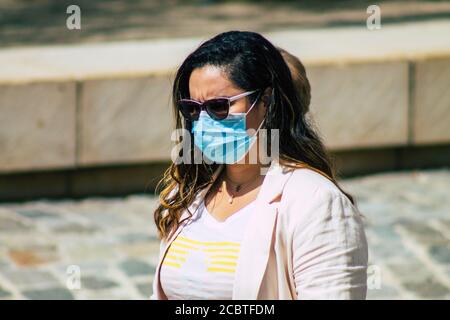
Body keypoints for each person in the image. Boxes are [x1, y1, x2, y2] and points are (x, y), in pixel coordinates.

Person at [150, 31, 368, 300]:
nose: (204, 121)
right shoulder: (186, 194)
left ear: (265, 101)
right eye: (193, 109)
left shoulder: (315, 202)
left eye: (219, 106)